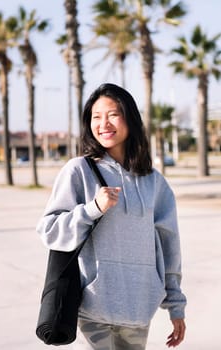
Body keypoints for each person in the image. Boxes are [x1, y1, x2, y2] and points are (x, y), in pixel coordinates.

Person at [36, 83, 186, 349]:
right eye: (96, 117)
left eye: (112, 114)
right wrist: (93, 208)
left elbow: (168, 244)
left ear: (130, 118)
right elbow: (49, 229)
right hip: (92, 308)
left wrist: (175, 304)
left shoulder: (154, 182)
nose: (103, 123)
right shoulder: (78, 170)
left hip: (138, 309)